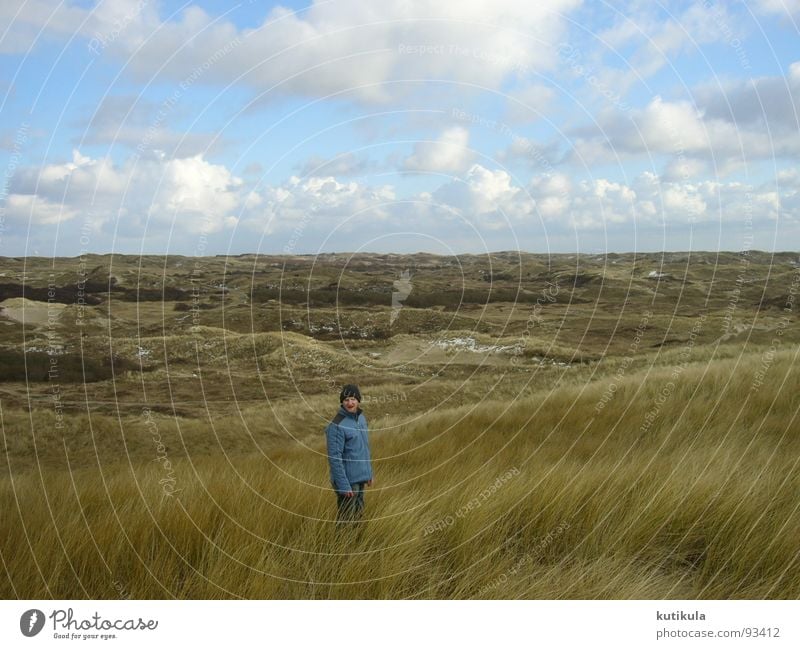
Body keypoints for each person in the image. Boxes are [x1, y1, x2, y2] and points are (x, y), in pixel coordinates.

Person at [325, 384, 373, 525]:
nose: (350, 403)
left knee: (358, 517)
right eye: (346, 400)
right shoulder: (336, 425)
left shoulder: (361, 418)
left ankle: (356, 544)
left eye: (353, 399)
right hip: (347, 482)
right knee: (346, 521)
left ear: (358, 400)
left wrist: (368, 473)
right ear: (342, 402)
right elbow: (335, 459)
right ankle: (341, 546)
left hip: (360, 477)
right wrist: (343, 485)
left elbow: (364, 449)